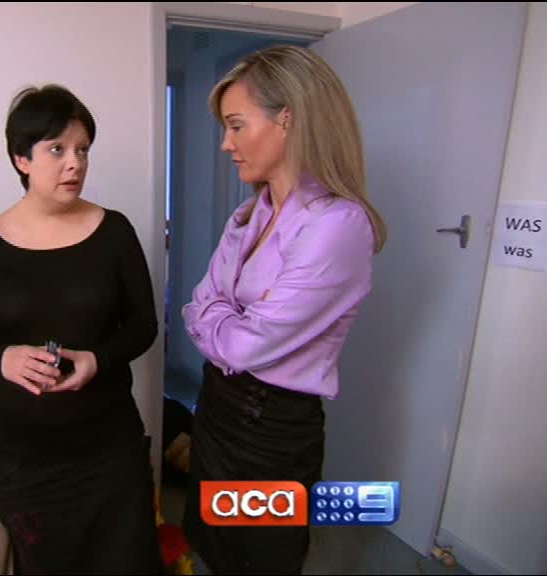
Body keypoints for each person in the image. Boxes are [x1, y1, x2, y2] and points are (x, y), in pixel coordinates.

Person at [180, 45, 388, 574]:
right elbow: (197, 304)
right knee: (212, 543)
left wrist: (220, 320)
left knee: (260, 558)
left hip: (269, 427)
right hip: (217, 405)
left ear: (287, 119)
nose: (225, 144)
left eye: (236, 126)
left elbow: (245, 344)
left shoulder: (337, 225)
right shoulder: (250, 213)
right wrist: (224, 320)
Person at [0, 84, 165, 574]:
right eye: (57, 149)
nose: (75, 164)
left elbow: (145, 325)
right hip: (25, 458)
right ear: (21, 158)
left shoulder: (114, 231)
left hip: (110, 448)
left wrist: (98, 359)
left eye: (83, 150)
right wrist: (2, 358)